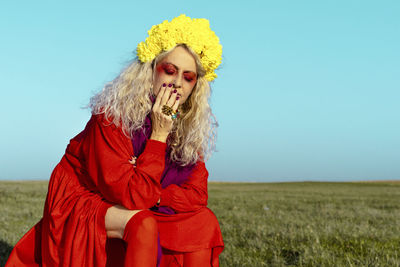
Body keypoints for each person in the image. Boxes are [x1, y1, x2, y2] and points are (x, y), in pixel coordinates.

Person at [5, 14, 224, 267]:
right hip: (84, 196)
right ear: (151, 70)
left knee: (203, 221)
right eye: (170, 71)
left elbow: (197, 194)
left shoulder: (186, 126)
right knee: (142, 222)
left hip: (144, 198)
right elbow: (133, 196)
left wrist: (159, 196)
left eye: (188, 77)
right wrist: (159, 136)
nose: (176, 83)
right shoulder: (112, 116)